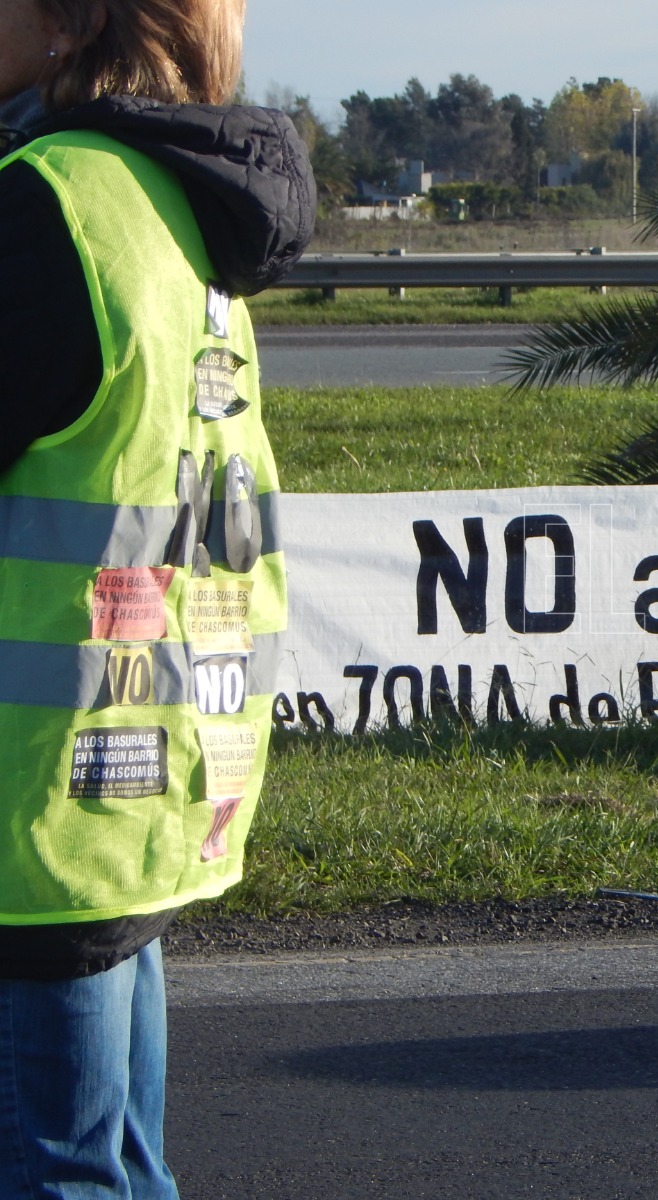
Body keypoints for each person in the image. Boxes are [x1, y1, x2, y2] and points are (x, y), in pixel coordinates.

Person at [0, 0, 313, 1193]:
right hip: (141, 796)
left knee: (52, 1176)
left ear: (70, 25)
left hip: (31, 811)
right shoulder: (176, 204)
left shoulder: (50, 206)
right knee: (113, 1171)